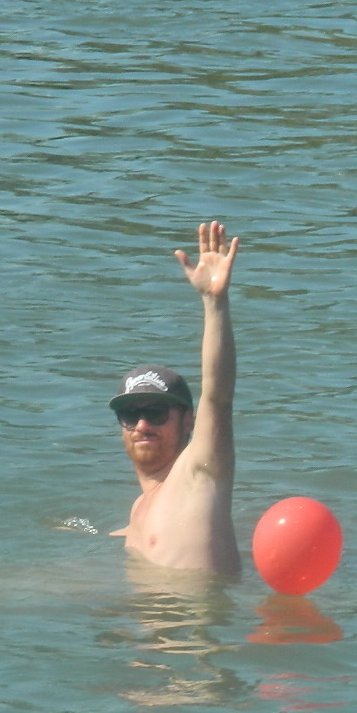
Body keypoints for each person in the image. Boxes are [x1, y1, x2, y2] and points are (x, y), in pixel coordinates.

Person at [108, 221, 241, 578]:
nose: (142, 425)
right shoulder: (139, 509)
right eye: (129, 415)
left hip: (197, 617)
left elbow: (218, 395)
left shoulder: (199, 473)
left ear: (188, 421)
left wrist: (215, 303)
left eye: (155, 412)